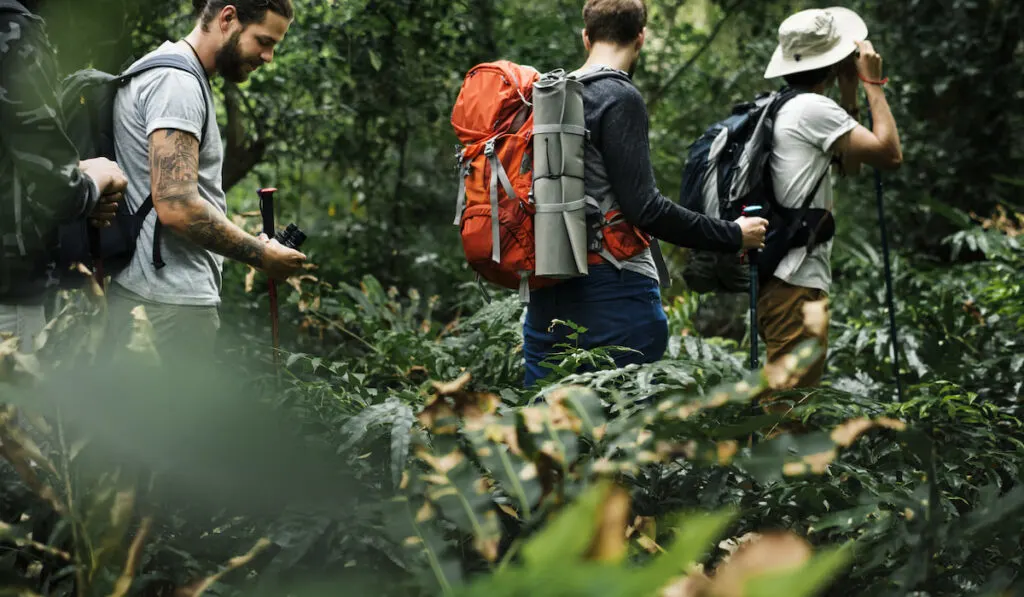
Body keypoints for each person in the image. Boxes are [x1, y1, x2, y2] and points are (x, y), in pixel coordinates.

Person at [521, 0, 769, 387]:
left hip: (544, 288)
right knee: (623, 431)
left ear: (586, 37)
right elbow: (646, 208)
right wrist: (734, 234)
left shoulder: (547, 94)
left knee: (548, 430)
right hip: (614, 291)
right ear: (641, 38)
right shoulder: (619, 97)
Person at [104, 0, 305, 362]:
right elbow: (178, 208)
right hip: (167, 305)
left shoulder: (173, 73)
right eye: (263, 41)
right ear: (227, 18)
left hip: (153, 298)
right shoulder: (176, 84)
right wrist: (261, 255)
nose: (268, 56)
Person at [758, 7, 902, 387]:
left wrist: (849, 91)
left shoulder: (787, 106)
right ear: (832, 59)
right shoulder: (812, 109)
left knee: (792, 407)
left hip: (785, 279)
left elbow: (849, 166)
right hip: (795, 281)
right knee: (790, 414)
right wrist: (873, 82)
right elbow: (890, 154)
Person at [0, 0, 128, 353]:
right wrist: (97, 177)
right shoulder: (14, 34)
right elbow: (56, 192)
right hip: (10, 291)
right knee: (19, 405)